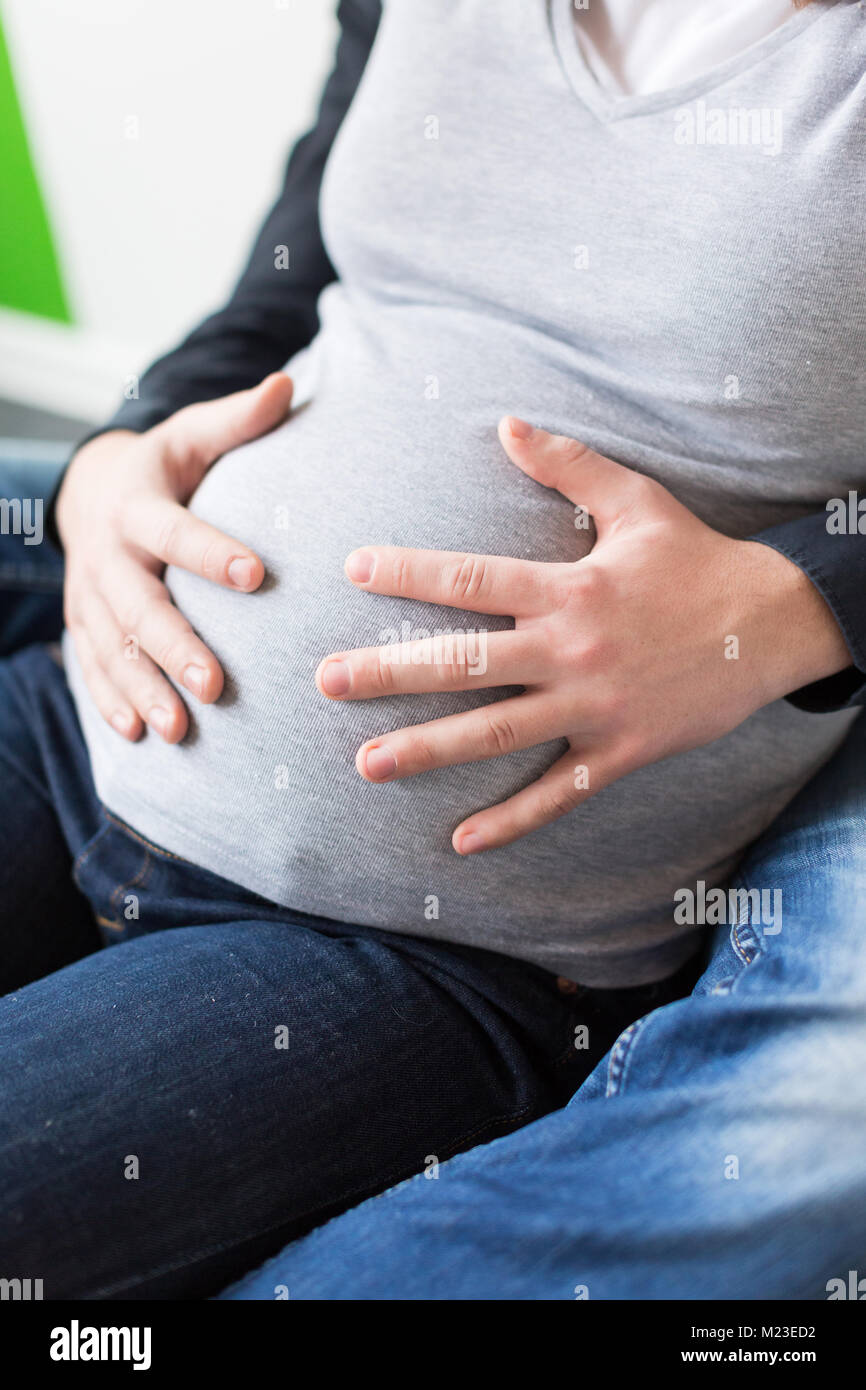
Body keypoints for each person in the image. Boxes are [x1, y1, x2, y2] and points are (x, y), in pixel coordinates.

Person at [1, 0, 864, 1299]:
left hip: (432, 949)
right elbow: (284, 287)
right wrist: (113, 462)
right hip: (82, 712)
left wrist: (792, 605)